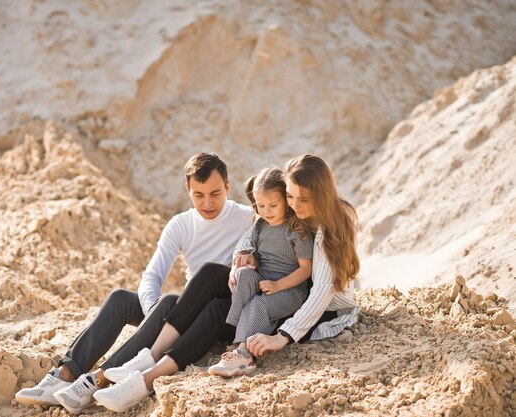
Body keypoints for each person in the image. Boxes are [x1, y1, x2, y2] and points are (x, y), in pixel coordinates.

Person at [90, 154, 360, 413]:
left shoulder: (327, 227)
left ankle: (147, 380)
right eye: (290, 196)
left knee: (217, 312)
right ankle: (150, 357)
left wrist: (282, 337)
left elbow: (322, 291)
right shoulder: (282, 213)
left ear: (321, 196)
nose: (296, 205)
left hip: (307, 308)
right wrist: (242, 257)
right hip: (270, 288)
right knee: (209, 275)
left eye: (304, 199)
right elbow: (254, 231)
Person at [14, 153, 253, 414]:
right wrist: (154, 311)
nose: (207, 202)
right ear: (188, 190)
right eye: (198, 194)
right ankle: (66, 372)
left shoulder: (248, 218)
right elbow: (152, 276)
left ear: (228, 187)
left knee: (172, 301)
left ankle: (95, 381)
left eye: (215, 193)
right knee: (122, 299)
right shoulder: (181, 224)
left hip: (216, 314)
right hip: (181, 314)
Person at [207, 166, 314, 377]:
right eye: (261, 205)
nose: (267, 211)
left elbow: (306, 269)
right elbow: (258, 255)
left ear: (287, 200)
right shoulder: (260, 226)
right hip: (264, 280)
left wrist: (278, 286)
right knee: (243, 274)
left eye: (273, 205)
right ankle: (236, 330)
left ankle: (244, 355)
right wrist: (250, 259)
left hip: (290, 289)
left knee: (257, 304)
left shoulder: (296, 230)